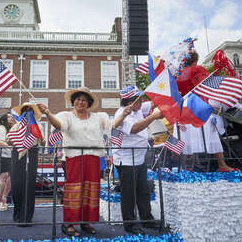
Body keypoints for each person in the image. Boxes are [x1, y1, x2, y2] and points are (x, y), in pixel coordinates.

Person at [37, 86, 131, 237]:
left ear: (89, 103)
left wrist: (124, 115)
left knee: (90, 190)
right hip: (74, 157)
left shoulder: (99, 117)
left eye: (84, 100)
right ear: (73, 102)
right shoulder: (66, 116)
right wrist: (48, 113)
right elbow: (59, 126)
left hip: (93, 158)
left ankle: (85, 222)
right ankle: (68, 223)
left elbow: (112, 125)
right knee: (74, 191)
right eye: (78, 99)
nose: (81, 102)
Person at [112, 86, 163, 234]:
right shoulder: (122, 113)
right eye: (139, 99)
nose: (142, 102)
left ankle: (146, 218)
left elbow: (153, 103)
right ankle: (130, 224)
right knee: (128, 193)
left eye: (141, 99)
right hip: (126, 160)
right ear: (130, 102)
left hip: (139, 158)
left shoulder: (138, 108)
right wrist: (153, 116)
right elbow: (134, 128)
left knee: (143, 190)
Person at [175, 51, 237, 172]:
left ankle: (187, 167)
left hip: (184, 107)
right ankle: (222, 165)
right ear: (195, 60)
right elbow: (208, 86)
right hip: (199, 105)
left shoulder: (177, 74)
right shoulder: (198, 69)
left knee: (185, 137)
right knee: (212, 134)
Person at [10, 103, 45, 226]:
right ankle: (17, 213)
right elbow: (9, 139)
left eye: (30, 109)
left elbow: (42, 141)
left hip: (32, 153)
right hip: (17, 154)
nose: (27, 111)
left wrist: (42, 140)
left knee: (29, 185)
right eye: (25, 109)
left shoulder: (38, 125)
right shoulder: (17, 125)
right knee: (16, 185)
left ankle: (26, 217)